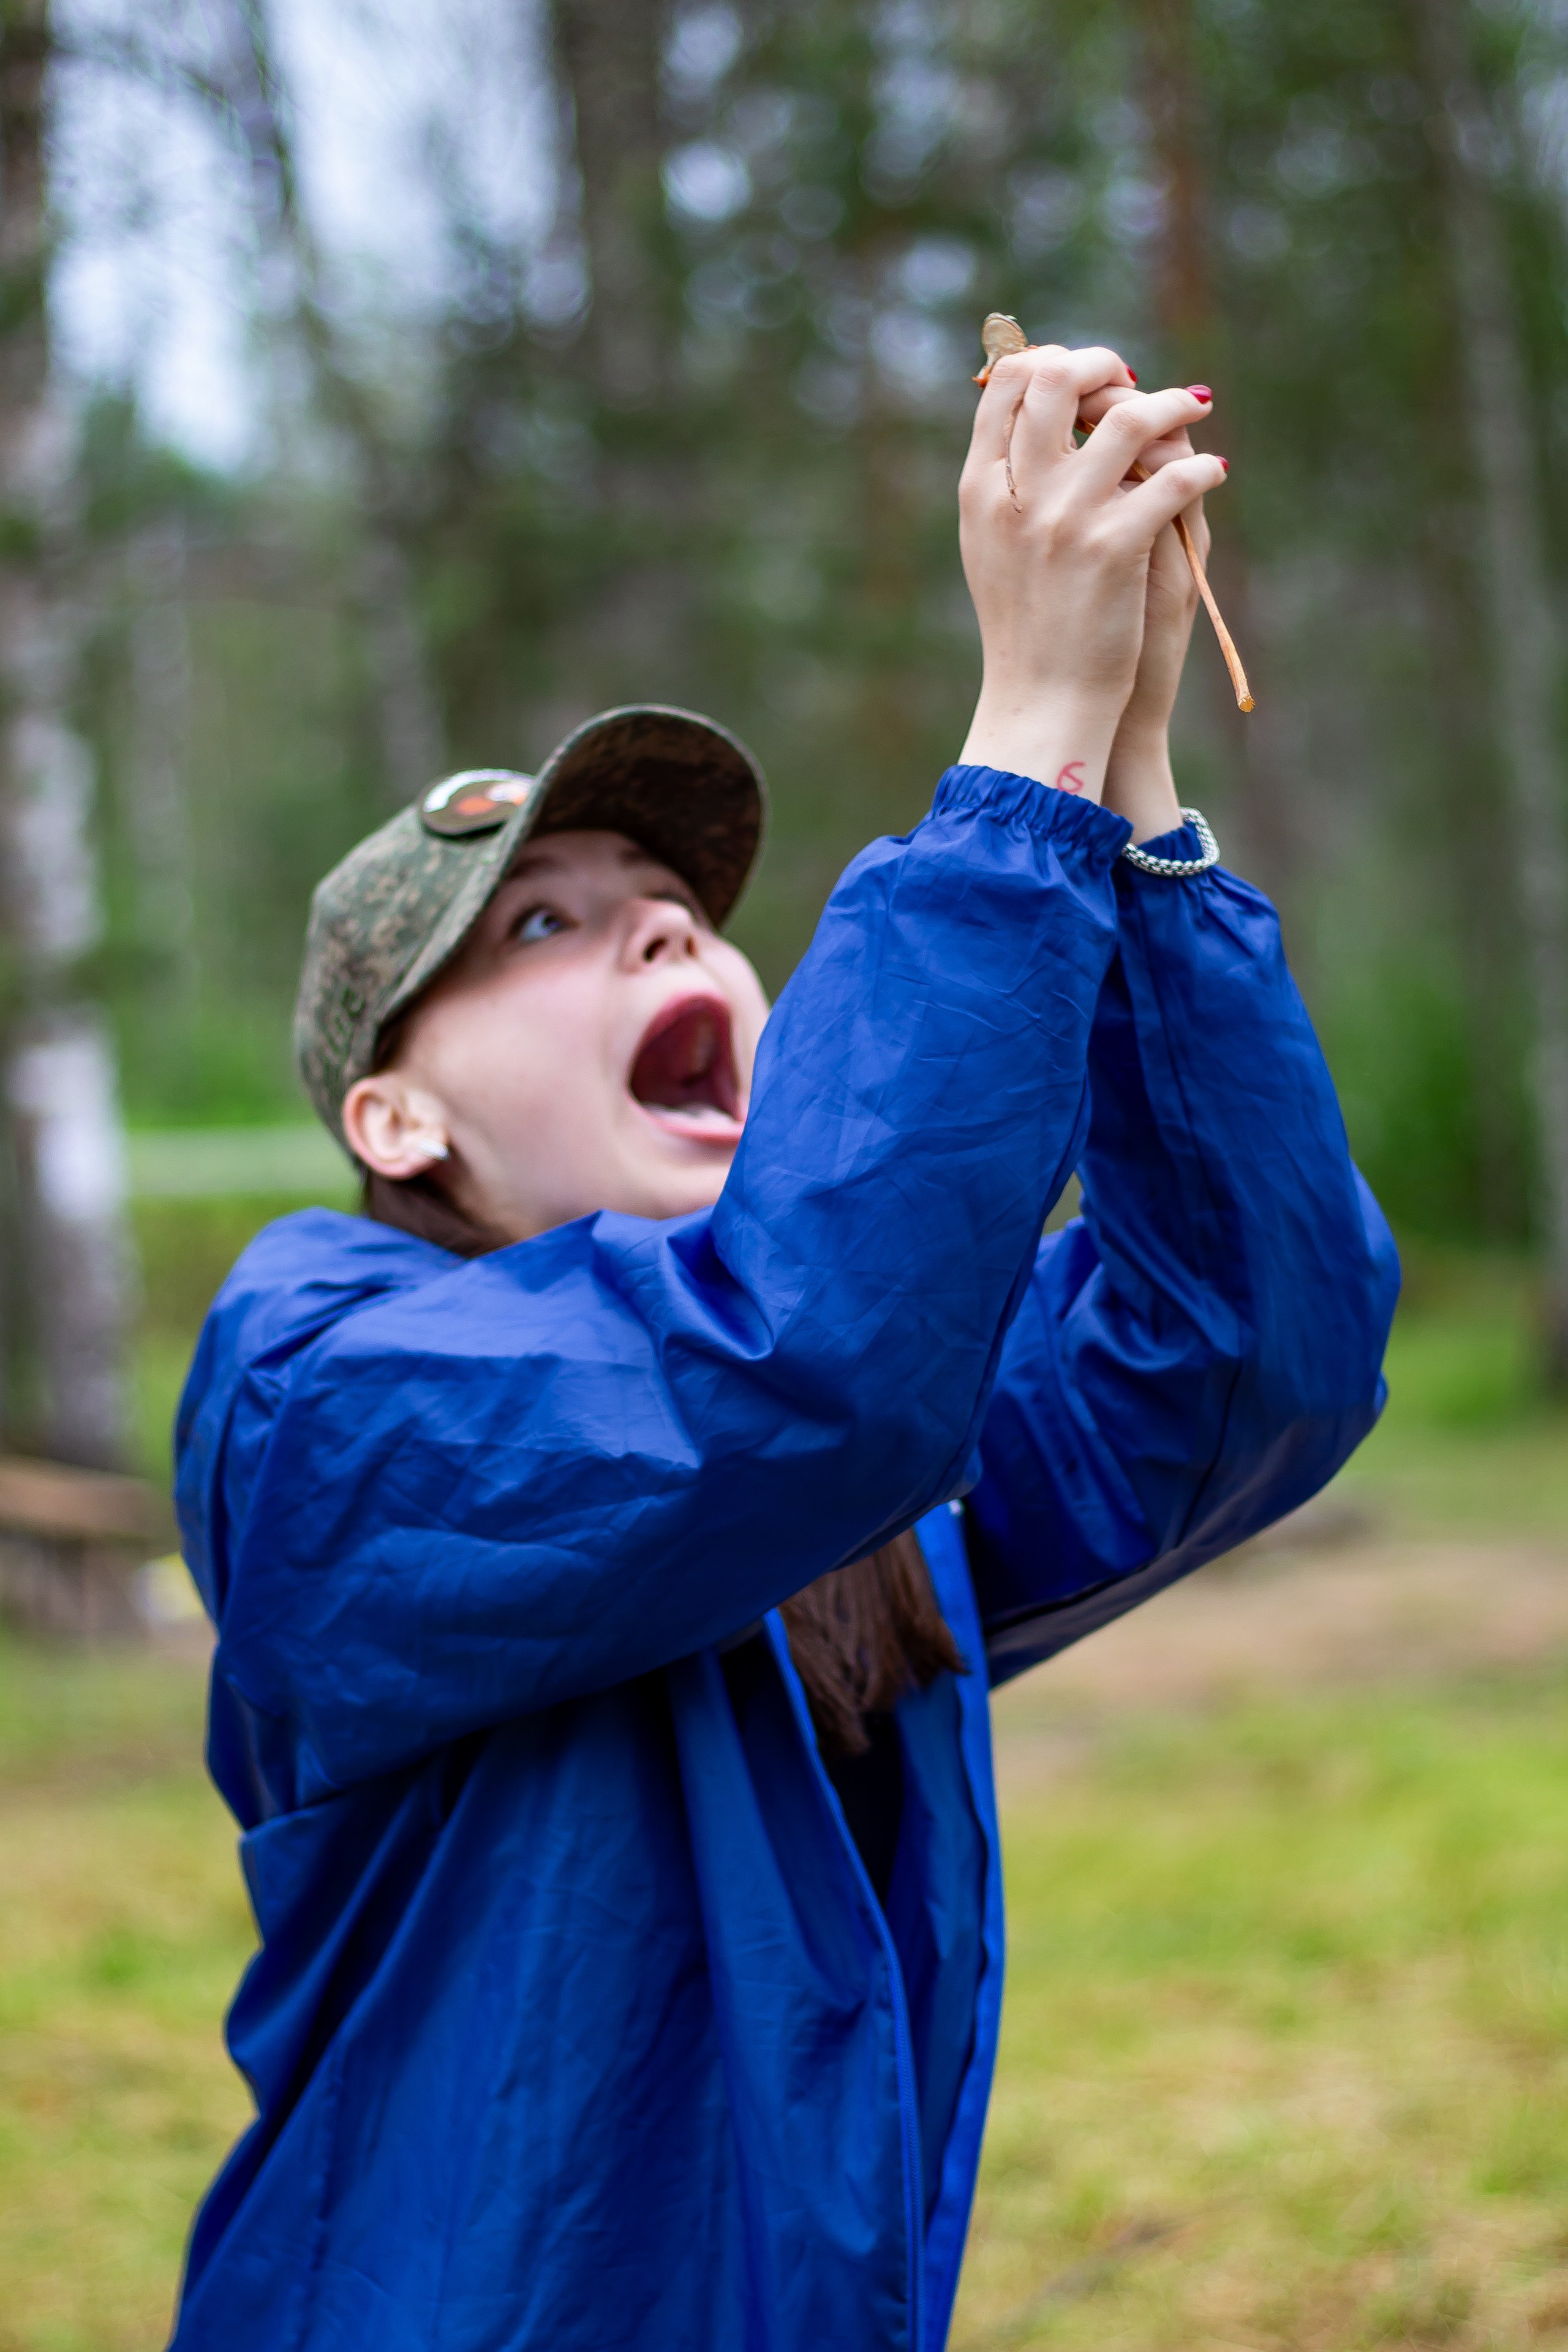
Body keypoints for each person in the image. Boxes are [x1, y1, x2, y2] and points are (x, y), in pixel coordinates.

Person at [168, 345, 1398, 2352]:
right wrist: (1018, 753)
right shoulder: (321, 1404)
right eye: (544, 929)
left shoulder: (857, 1478)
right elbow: (795, 1356)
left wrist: (1131, 789)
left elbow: (1250, 1356)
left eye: (676, 908)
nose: (665, 934)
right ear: (400, 1124)